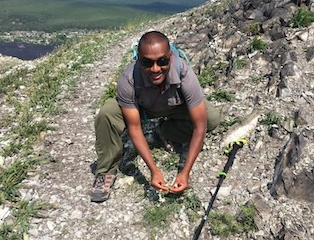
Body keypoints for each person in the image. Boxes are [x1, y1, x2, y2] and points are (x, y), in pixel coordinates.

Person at [90, 30, 220, 202]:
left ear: (170, 57)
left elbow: (200, 126)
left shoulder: (184, 72)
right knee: (106, 114)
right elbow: (135, 128)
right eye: (147, 63)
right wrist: (154, 170)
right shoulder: (128, 79)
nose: (155, 69)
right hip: (142, 109)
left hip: (176, 106)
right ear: (139, 60)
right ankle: (105, 171)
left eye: (162, 61)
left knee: (211, 118)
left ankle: (164, 132)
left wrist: (184, 172)